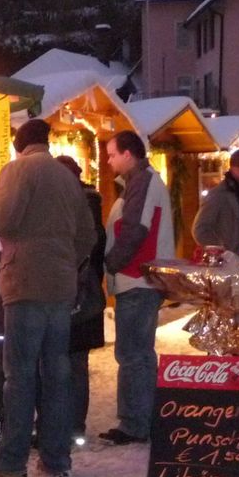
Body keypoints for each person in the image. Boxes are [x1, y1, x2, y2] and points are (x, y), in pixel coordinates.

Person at [0, 119, 95, 477]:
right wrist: (66, 263)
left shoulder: (17, 170)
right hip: (60, 288)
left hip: (25, 284)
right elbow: (86, 235)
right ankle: (56, 459)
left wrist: (15, 251)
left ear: (19, 145)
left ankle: (11, 464)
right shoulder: (66, 176)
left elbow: (2, 219)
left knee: (19, 377)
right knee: (57, 375)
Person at [98, 130, 175, 445]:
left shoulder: (142, 182)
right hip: (140, 280)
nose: (108, 159)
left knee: (133, 354)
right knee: (138, 354)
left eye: (112, 153)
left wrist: (112, 263)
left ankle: (135, 423)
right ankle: (140, 419)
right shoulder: (139, 182)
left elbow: (135, 230)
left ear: (128, 154)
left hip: (138, 280)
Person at [58, 155, 105, 445]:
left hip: (76, 295)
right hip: (88, 295)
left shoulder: (76, 205)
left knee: (68, 363)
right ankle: (74, 426)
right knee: (76, 364)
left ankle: (69, 426)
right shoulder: (92, 203)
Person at [192, 148, 239, 256]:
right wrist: (222, 251)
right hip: (231, 263)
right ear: (235, 168)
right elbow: (201, 230)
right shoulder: (219, 195)